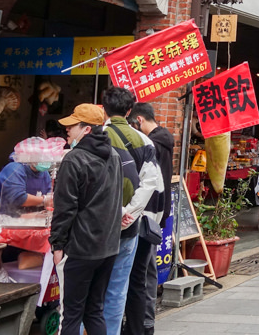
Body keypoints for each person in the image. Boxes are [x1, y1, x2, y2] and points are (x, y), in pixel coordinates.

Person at [50, 103, 123, 335]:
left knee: (71, 313)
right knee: (94, 311)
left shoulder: (74, 159)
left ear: (87, 129)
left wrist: (57, 244)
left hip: (80, 248)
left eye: (73, 125)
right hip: (108, 247)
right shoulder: (114, 155)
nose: (68, 130)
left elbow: (65, 208)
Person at [102, 87, 163, 335]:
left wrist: (118, 212)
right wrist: (131, 211)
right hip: (137, 222)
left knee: (101, 283)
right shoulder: (144, 141)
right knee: (133, 281)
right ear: (129, 111)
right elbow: (152, 182)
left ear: (103, 109)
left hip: (101, 224)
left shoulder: (96, 136)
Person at [128, 101, 174, 335]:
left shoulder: (150, 145)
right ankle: (146, 319)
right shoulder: (163, 139)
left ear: (139, 121)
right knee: (147, 267)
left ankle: (144, 321)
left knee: (142, 269)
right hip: (158, 211)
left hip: (147, 211)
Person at [0, 140, 52, 227]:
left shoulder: (44, 173)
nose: (45, 159)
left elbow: (48, 193)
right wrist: (44, 200)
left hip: (23, 218)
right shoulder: (14, 169)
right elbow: (18, 198)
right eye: (41, 156)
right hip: (1, 217)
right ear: (29, 156)